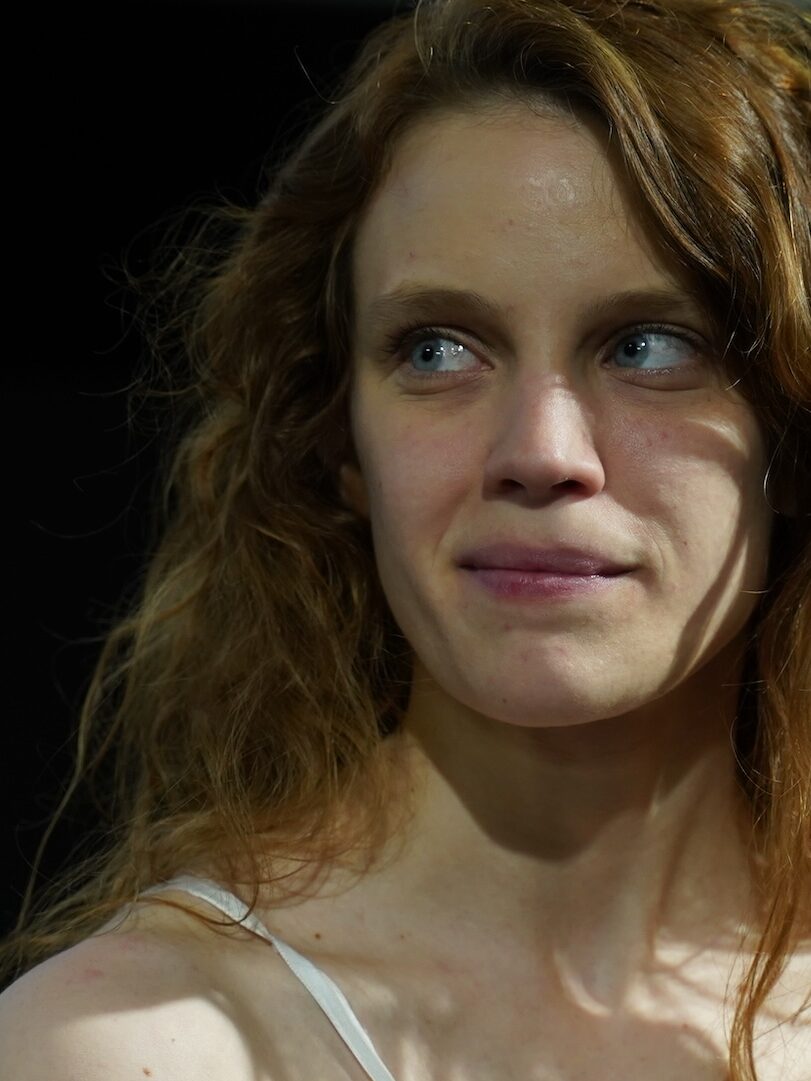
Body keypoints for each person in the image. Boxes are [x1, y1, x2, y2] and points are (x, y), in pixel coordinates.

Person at [1, 0, 809, 1078]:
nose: (540, 451)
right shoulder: (141, 1045)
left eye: (650, 346)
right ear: (338, 438)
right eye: (437, 350)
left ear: (791, 431)